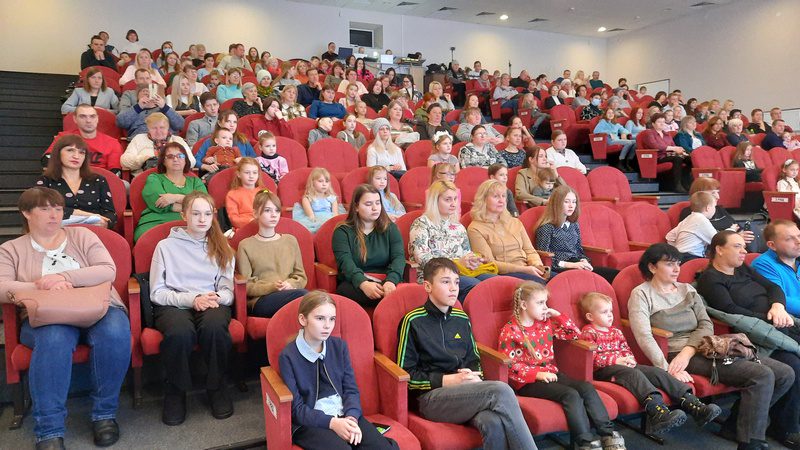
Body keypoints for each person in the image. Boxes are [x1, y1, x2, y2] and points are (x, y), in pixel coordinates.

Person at [629, 243, 795, 450]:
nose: (677, 269)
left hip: (705, 347)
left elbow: (705, 324)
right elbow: (644, 335)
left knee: (785, 373)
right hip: (674, 353)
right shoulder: (641, 294)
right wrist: (665, 369)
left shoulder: (687, 290)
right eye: (669, 264)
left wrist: (688, 352)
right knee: (762, 374)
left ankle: (735, 425)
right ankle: (751, 441)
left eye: (678, 263)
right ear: (652, 267)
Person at [0, 187, 130, 450]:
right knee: (54, 339)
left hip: (96, 306)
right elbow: (2, 286)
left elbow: (108, 270)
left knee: (115, 331)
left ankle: (104, 414)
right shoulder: (10, 249)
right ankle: (49, 429)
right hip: (46, 314)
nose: (54, 215)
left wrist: (64, 277)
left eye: (58, 209)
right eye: (45, 209)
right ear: (26, 213)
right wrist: (42, 285)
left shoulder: (82, 235)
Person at [397, 258, 538, 450]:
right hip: (430, 398)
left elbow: (473, 360)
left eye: (456, 282)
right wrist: (447, 380)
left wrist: (473, 376)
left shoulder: (461, 317)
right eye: (445, 282)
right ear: (428, 286)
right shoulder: (413, 320)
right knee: (501, 390)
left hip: (465, 392)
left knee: (491, 421)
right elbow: (407, 376)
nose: (453, 288)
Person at [698, 231, 800, 448]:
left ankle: (736, 423)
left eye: (743, 246)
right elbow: (730, 311)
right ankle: (785, 428)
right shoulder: (711, 279)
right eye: (737, 246)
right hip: (752, 336)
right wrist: (769, 318)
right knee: (793, 365)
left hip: (775, 323)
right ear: (719, 249)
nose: (744, 251)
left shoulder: (742, 269)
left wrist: (777, 307)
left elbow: (773, 288)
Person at [499, 282, 626, 449]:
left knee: (586, 387)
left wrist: (557, 315)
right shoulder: (510, 331)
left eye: (546, 302)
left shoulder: (545, 324)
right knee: (570, 394)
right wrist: (537, 375)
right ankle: (585, 442)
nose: (545, 307)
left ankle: (608, 434)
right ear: (524, 305)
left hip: (551, 374)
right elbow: (509, 366)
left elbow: (575, 334)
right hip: (527, 382)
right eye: (540, 303)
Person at [579, 292, 721, 435]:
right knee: (633, 374)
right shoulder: (589, 332)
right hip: (604, 370)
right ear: (590, 316)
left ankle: (695, 406)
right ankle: (657, 412)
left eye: (611, 311)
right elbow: (592, 358)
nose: (610, 315)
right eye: (604, 312)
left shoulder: (616, 332)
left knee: (657, 372)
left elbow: (625, 349)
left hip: (625, 366)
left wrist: (629, 359)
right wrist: (615, 361)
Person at [150, 191, 235, 425]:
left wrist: (215, 297)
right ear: (184, 215)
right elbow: (157, 292)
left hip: (210, 300)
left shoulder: (222, 246)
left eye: (207, 214)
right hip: (174, 302)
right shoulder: (165, 246)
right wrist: (192, 299)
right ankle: (176, 392)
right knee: (179, 333)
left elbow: (228, 291)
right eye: (196, 213)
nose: (202, 219)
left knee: (215, 327)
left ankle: (216, 387)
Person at [279, 291, 398, 449]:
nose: (327, 325)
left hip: (344, 414)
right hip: (311, 422)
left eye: (332, 319)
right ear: (303, 319)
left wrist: (352, 418)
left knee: (384, 448)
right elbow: (297, 409)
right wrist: (333, 423)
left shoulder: (339, 346)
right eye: (320, 318)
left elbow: (351, 390)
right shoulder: (288, 356)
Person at [409, 180, 492, 299]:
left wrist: (473, 260)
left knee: (493, 281)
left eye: (455, 199)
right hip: (434, 276)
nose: (453, 204)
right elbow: (423, 259)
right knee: (475, 286)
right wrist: (456, 263)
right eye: (448, 200)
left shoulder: (458, 227)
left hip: (460, 273)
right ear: (435, 201)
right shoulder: (421, 224)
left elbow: (466, 253)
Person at [237, 189, 308, 318]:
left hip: (291, 293)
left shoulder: (290, 240)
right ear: (255, 213)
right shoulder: (245, 245)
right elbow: (247, 286)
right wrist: (272, 287)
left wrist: (291, 284)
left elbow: (301, 276)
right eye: (267, 210)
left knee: (311, 300)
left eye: (277, 210)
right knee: (306, 298)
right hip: (262, 300)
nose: (274, 215)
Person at [332, 184, 404, 306]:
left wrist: (391, 281)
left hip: (386, 281)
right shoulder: (342, 231)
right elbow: (345, 263)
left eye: (378, 203)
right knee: (396, 299)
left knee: (402, 293)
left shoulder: (390, 228)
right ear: (356, 207)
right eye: (368, 204)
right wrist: (363, 283)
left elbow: (399, 257)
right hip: (356, 283)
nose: (375, 208)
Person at [534, 185, 619, 283]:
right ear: (556, 204)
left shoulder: (574, 224)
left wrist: (583, 260)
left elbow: (579, 250)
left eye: (574, 202)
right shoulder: (546, 227)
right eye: (566, 202)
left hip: (577, 264)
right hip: (560, 268)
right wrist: (572, 265)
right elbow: (544, 259)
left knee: (616, 275)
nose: (571, 206)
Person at [468, 180, 546, 282]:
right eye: (496, 196)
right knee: (539, 283)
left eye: (503, 196)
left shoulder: (515, 222)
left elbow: (530, 251)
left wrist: (537, 265)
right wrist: (525, 270)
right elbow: (489, 263)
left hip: (527, 268)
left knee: (557, 280)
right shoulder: (475, 228)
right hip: (505, 273)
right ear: (483, 199)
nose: (501, 200)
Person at [36, 135, 116, 228]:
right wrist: (84, 214)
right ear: (58, 153)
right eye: (70, 150)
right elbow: (41, 209)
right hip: (57, 231)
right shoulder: (45, 181)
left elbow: (111, 214)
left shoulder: (98, 180)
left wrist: (105, 223)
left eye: (82, 152)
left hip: (93, 231)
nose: (76, 156)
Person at [134, 143, 206, 241]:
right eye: (170, 156)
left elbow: (204, 203)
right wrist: (192, 208)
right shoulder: (154, 178)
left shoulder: (195, 181)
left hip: (189, 224)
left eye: (180, 156)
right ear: (164, 161)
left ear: (185, 160)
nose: (175, 159)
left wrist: (175, 197)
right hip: (155, 223)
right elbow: (158, 203)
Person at [44, 104, 123, 173]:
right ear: (75, 119)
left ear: (97, 119)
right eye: (83, 116)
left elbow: (115, 171)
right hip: (67, 177)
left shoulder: (112, 143)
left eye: (92, 116)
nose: (88, 121)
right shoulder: (63, 138)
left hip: (99, 180)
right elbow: (47, 159)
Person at [121, 113, 192, 176]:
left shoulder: (177, 140)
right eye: (154, 128)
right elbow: (125, 161)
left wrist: (170, 161)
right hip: (145, 177)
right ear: (148, 129)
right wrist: (142, 159)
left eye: (162, 127)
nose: (158, 131)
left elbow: (191, 161)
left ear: (168, 128)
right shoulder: (139, 139)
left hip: (173, 177)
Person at [640, 113, 691, 192]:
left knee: (689, 159)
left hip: (669, 155)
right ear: (653, 124)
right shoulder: (649, 133)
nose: (662, 124)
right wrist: (673, 148)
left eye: (663, 122)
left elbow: (673, 146)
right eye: (659, 122)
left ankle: (686, 184)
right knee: (677, 159)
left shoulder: (667, 134)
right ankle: (677, 185)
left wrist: (681, 151)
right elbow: (655, 146)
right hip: (657, 157)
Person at [116, 85, 184, 139]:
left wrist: (164, 107)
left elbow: (180, 124)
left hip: (165, 139)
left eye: (151, 91)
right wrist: (139, 107)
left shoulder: (164, 109)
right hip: (141, 140)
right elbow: (121, 122)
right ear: (138, 97)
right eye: (144, 91)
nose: (147, 93)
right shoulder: (135, 110)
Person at [666, 192, 718, 261]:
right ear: (708, 208)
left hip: (680, 257)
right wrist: (730, 231)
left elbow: (669, 237)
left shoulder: (688, 219)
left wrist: (677, 251)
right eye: (714, 206)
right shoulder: (701, 219)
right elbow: (716, 240)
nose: (715, 209)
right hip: (691, 257)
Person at [293, 168, 342, 233]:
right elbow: (311, 216)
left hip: (330, 221)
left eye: (327, 181)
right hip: (315, 221)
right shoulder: (307, 199)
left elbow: (335, 215)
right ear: (312, 182)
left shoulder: (332, 198)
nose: (324, 184)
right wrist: (320, 224)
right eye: (320, 181)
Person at [225, 158, 263, 230]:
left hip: (264, 227)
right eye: (247, 172)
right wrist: (251, 221)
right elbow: (234, 219)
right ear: (238, 174)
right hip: (243, 229)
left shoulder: (264, 192)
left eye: (255, 172)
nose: (251, 176)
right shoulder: (232, 194)